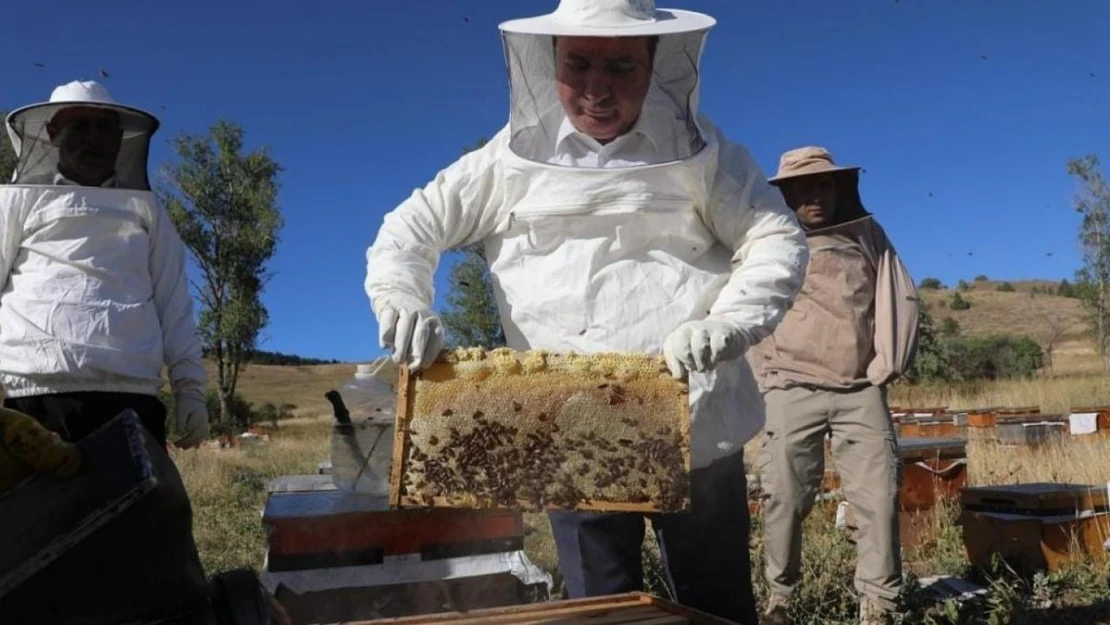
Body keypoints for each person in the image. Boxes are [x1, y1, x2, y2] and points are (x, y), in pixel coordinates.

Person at [364, 2, 809, 622]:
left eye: (621, 66)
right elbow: (407, 231)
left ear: (654, 66)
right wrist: (403, 300)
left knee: (717, 607)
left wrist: (730, 322)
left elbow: (774, 239)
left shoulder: (706, 155)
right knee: (602, 609)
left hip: (697, 417)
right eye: (578, 65)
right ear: (551, 64)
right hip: (567, 428)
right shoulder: (505, 161)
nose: (596, 89)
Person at [750, 146, 920, 625]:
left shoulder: (867, 235)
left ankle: (879, 607)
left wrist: (888, 363)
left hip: (859, 389)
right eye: (803, 187)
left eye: (824, 184)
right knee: (783, 497)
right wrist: (760, 372)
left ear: (839, 187)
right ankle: (780, 601)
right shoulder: (766, 239)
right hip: (789, 389)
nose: (815, 195)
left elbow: (899, 293)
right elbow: (742, 303)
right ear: (786, 194)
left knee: (877, 499)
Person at [0, 80, 209, 450]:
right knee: (39, 509)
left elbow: (174, 303)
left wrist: (190, 391)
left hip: (132, 394)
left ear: (119, 138)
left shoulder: (148, 211)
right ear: (53, 134)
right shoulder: (15, 202)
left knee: (141, 508)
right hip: (34, 395)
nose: (93, 138)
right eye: (79, 126)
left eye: (103, 128)